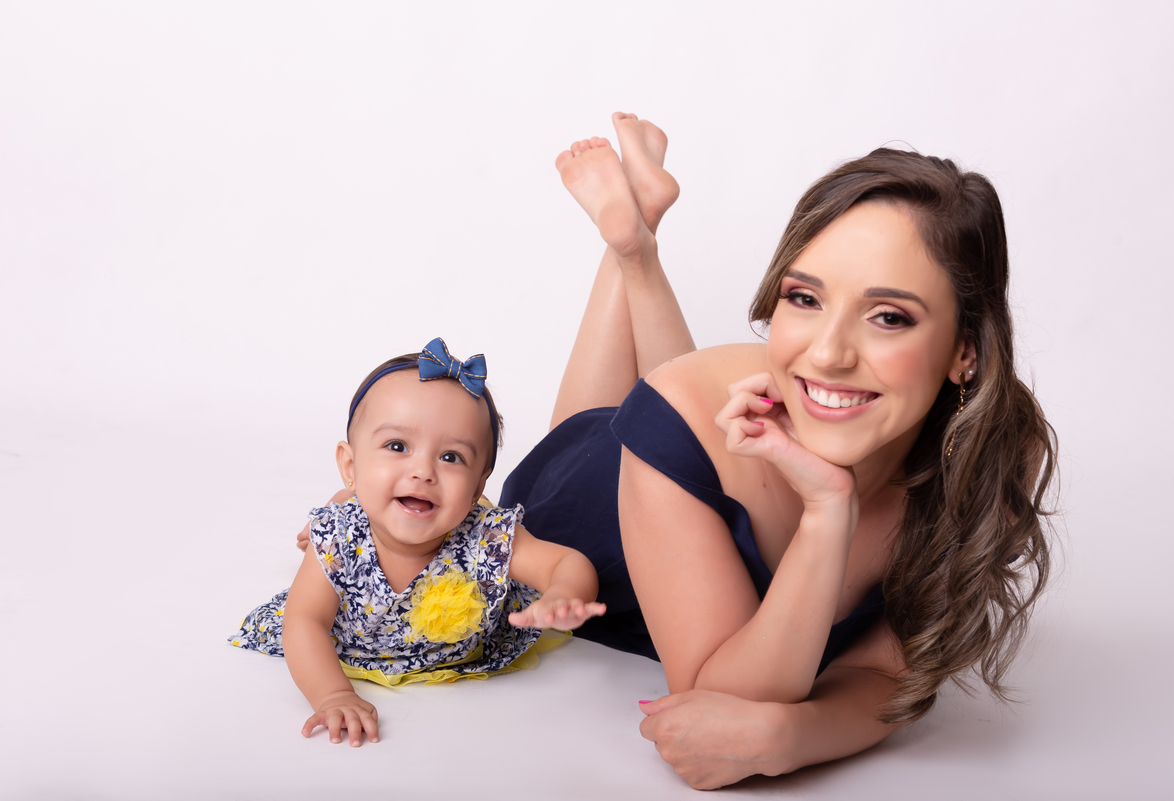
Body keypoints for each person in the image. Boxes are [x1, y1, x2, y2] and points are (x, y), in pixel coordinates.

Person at [496, 113, 1056, 788]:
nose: (828, 351)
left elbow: (884, 675)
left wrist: (797, 734)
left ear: (966, 350)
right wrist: (827, 512)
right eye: (804, 297)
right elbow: (721, 699)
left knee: (689, 405)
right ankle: (631, 249)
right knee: (598, 424)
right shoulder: (681, 415)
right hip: (582, 502)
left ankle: (636, 238)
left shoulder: (998, 445)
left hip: (707, 433)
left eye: (889, 316)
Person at [236, 338, 605, 747]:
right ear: (350, 465)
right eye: (397, 446)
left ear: (479, 483)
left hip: (470, 645)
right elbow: (304, 621)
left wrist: (565, 593)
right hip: (353, 640)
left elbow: (564, 562)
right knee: (350, 512)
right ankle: (350, 494)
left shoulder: (487, 536)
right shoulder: (339, 538)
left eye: (451, 457)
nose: (423, 471)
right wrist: (333, 694)